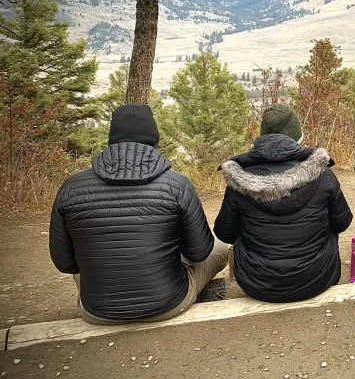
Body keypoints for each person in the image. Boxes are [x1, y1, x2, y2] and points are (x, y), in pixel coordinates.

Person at [49, 104, 228, 324]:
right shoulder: (177, 184)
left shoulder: (71, 188)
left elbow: (65, 263)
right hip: (168, 304)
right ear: (154, 138)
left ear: (112, 138)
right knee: (220, 246)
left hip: (97, 311)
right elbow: (199, 253)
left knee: (88, 262)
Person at [214, 104, 353, 302]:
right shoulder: (323, 175)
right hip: (318, 278)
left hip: (258, 285)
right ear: (297, 136)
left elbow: (224, 233)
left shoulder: (238, 180)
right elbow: (343, 222)